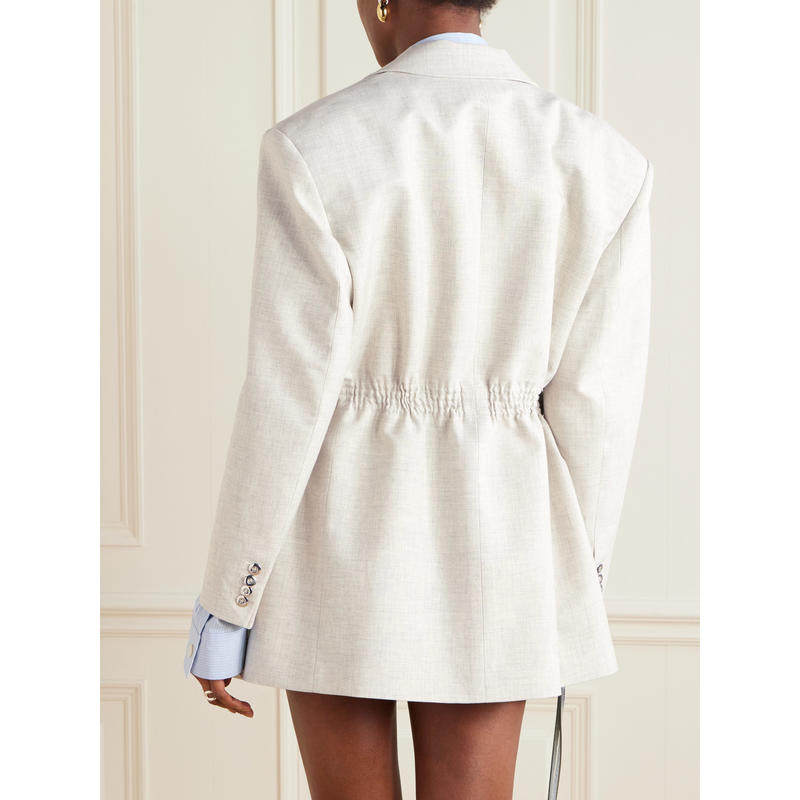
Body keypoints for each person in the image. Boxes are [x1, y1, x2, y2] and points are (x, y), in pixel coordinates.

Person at [184, 1, 653, 797]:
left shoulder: (312, 146)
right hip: (504, 544)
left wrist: (231, 601)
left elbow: (286, 394)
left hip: (334, 539)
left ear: (381, 1)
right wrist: (573, 583)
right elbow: (596, 405)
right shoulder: (601, 159)